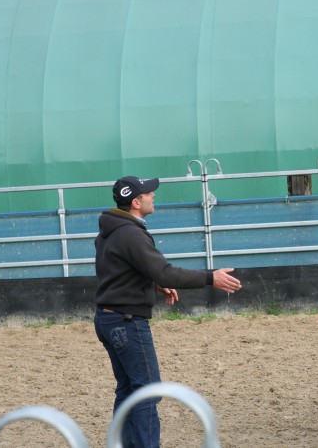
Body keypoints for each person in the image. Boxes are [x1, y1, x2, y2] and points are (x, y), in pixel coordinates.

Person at [94, 175, 242, 448]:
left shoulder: (111, 231)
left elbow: (120, 271)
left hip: (108, 318)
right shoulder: (131, 233)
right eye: (149, 193)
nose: (153, 196)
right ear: (136, 202)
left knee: (128, 391)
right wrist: (211, 278)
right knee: (147, 392)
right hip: (127, 321)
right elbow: (164, 270)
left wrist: (154, 284)